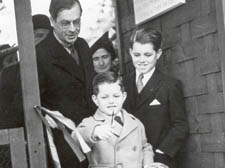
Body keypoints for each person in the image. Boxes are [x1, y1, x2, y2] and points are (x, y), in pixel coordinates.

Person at [35, 0, 95, 167]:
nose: (72, 29)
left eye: (76, 22)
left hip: (92, 135)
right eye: (65, 23)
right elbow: (32, 103)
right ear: (52, 21)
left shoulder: (83, 45)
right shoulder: (39, 54)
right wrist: (45, 115)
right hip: (65, 144)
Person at [123, 28, 188, 168]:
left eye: (147, 55)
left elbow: (180, 125)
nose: (141, 60)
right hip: (129, 160)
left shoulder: (170, 85)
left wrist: (161, 153)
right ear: (130, 52)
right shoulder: (122, 84)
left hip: (159, 160)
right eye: (136, 54)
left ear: (158, 54)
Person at [75, 71, 168, 168]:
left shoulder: (135, 122)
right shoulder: (90, 123)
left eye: (116, 96)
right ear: (95, 99)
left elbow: (145, 147)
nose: (111, 101)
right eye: (104, 97)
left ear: (124, 96)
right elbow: (76, 138)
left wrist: (148, 164)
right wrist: (94, 133)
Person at [0, 14, 52, 129]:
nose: (44, 42)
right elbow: (5, 119)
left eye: (48, 38)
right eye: (39, 36)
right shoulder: (10, 73)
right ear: (27, 38)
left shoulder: (58, 68)